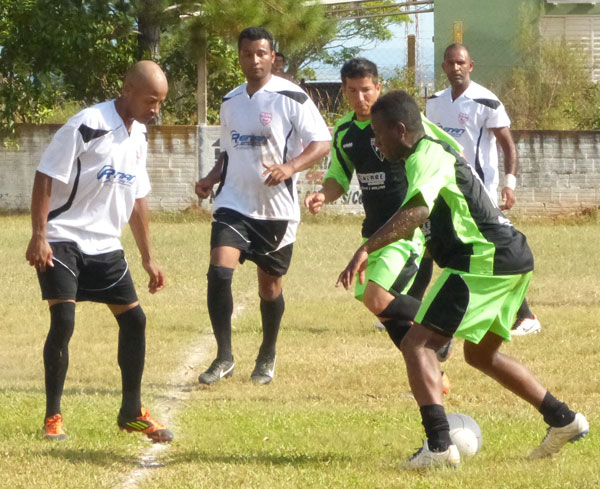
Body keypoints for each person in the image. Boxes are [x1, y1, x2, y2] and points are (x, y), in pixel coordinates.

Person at [338, 90, 589, 469]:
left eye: (378, 133)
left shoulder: (426, 154)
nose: (375, 141)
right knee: (481, 354)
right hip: (513, 256)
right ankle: (564, 418)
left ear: (401, 130)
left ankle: (438, 447)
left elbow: (418, 210)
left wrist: (366, 248)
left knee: (417, 345)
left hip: (483, 261)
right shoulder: (434, 144)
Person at [25, 60, 173, 443]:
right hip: (63, 238)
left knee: (135, 321)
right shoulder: (86, 124)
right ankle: (53, 416)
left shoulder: (138, 134)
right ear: (127, 90)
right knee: (64, 322)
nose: (155, 109)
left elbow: (137, 198)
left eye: (160, 102)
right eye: (150, 100)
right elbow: (45, 177)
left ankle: (131, 413)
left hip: (106, 244)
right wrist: (39, 235)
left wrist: (148, 256)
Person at [304, 59, 455, 383]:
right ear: (344, 91)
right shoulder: (344, 132)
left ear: (379, 87)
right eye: (353, 91)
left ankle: (444, 327)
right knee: (380, 308)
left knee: (376, 297)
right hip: (374, 231)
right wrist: (322, 195)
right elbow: (338, 178)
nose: (361, 97)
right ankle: (433, 372)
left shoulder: (403, 123)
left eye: (367, 90)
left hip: (406, 229)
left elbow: (449, 151)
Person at [195, 27, 330, 386]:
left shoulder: (292, 97)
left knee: (269, 288)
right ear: (238, 57)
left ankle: (267, 353)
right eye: (247, 54)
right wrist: (211, 178)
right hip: (233, 202)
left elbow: (322, 142)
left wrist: (290, 167)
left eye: (261, 53)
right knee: (219, 273)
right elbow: (227, 151)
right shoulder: (230, 101)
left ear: (272, 56)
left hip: (276, 210)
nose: (254, 60)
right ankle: (224, 356)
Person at [426, 43, 541, 337]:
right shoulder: (435, 102)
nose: (456, 68)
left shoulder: (487, 102)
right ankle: (408, 307)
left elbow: (507, 146)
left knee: (495, 249)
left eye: (461, 63)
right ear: (444, 67)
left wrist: (509, 184)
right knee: (434, 243)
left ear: (471, 65)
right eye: (450, 63)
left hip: (480, 193)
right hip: (446, 189)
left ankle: (525, 315)